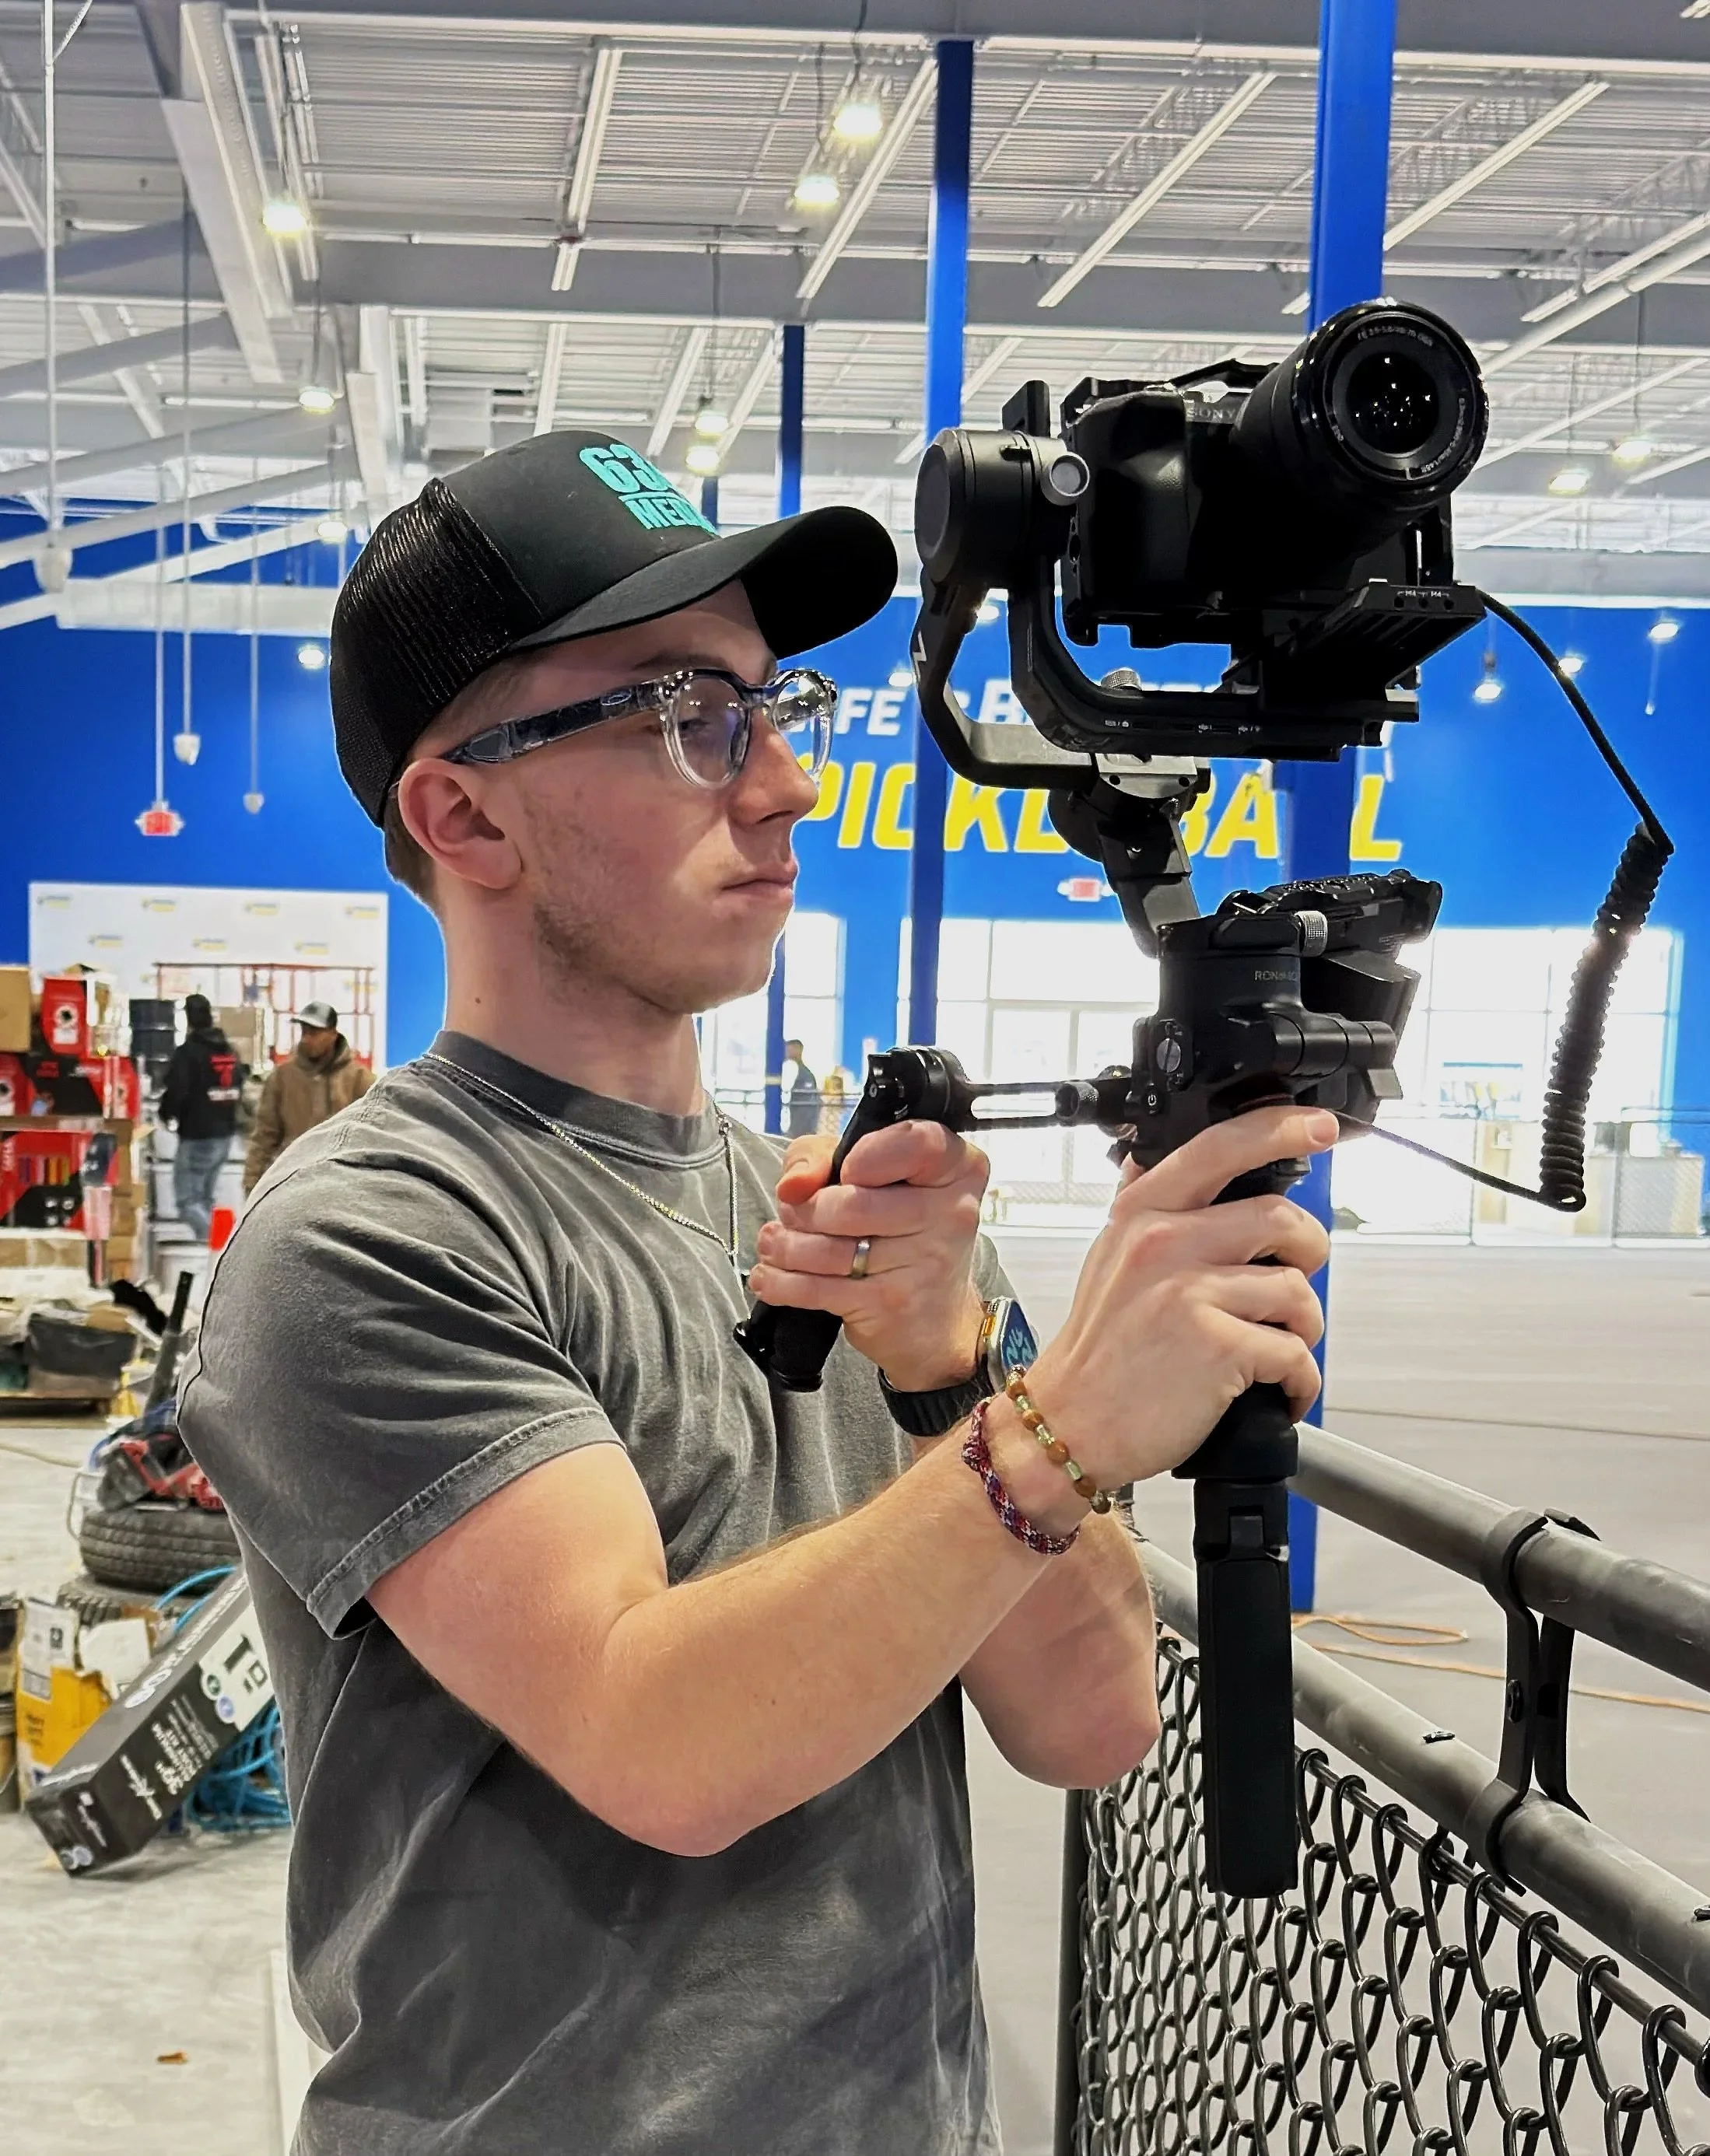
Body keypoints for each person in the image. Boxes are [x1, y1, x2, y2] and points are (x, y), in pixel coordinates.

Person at [178, 429, 1330, 2156]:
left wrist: (955, 1371)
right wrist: (1061, 1421)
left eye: (768, 703)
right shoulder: (370, 1235)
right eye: (675, 713)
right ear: (461, 811)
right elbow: (662, 1745)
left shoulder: (859, 1220)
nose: (781, 780)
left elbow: (1089, 1726)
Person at [242, 1000, 374, 1195]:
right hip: (291, 1179)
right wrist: (252, 1182)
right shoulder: (283, 1077)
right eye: (304, 1032)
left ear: (332, 1035)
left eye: (314, 1033)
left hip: (341, 1182)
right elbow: (265, 1133)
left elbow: (371, 1135)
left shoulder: (360, 1080)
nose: (306, 1039)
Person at [156, 993, 241, 1243]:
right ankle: (220, 1253)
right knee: (204, 1199)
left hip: (198, 1135)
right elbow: (239, 1084)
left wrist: (166, 1113)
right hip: (225, 1133)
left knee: (188, 1202)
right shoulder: (228, 1050)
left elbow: (178, 1091)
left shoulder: (189, 1053)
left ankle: (222, 1251)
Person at [781, 1034, 820, 1138]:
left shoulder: (806, 1075)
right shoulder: (797, 1072)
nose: (787, 1051)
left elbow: (809, 1103)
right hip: (795, 1125)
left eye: (790, 1048)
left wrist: (807, 1128)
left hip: (801, 1128)